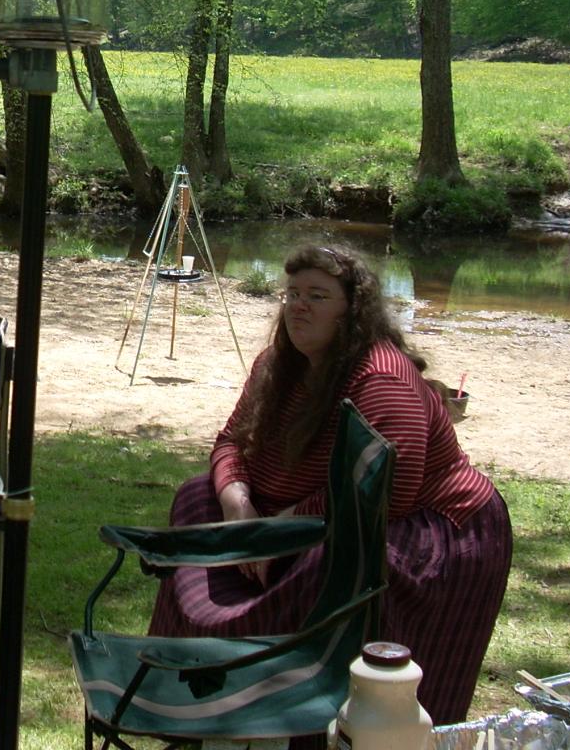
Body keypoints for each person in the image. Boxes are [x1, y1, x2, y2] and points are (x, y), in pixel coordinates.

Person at [148, 244, 512, 724]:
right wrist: (238, 503)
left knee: (330, 562)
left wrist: (281, 528)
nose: (298, 306)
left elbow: (385, 492)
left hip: (420, 528)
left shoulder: (381, 379)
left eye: (317, 296)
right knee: (199, 498)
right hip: (301, 514)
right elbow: (232, 441)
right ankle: (196, 686)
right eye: (293, 293)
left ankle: (294, 716)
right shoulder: (276, 364)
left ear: (352, 311)